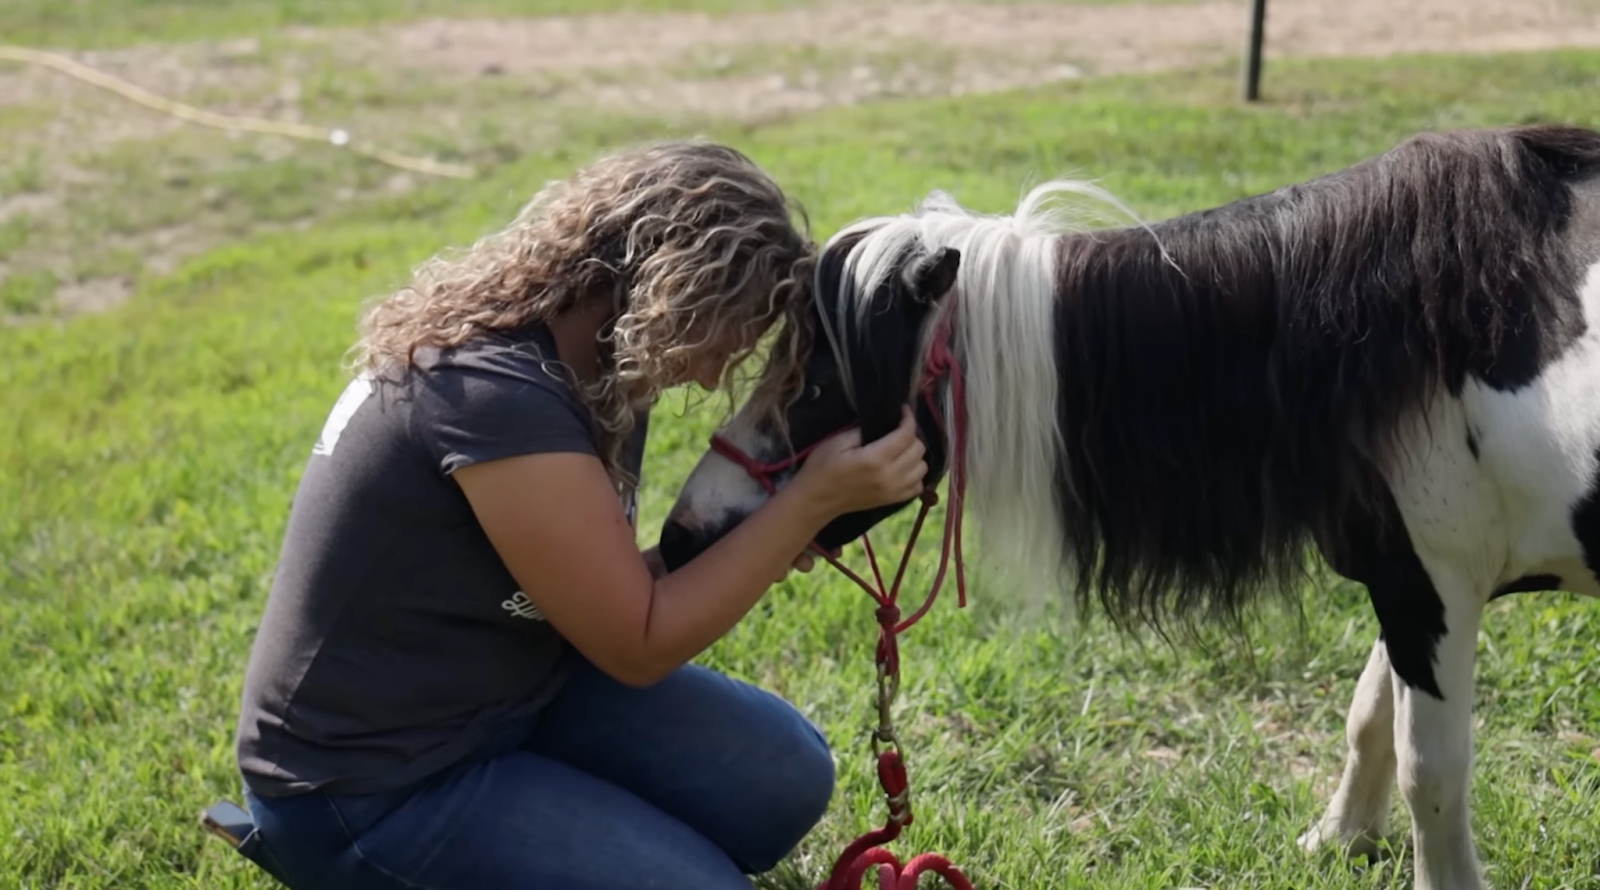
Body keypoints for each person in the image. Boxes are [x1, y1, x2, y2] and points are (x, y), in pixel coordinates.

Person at [232, 140, 929, 890]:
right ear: (679, 290)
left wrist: (762, 535)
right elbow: (637, 644)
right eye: (737, 324)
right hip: (373, 788)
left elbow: (594, 594)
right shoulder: (496, 398)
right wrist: (805, 505)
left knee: (784, 775)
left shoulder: (593, 367)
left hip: (513, 688)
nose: (727, 365)